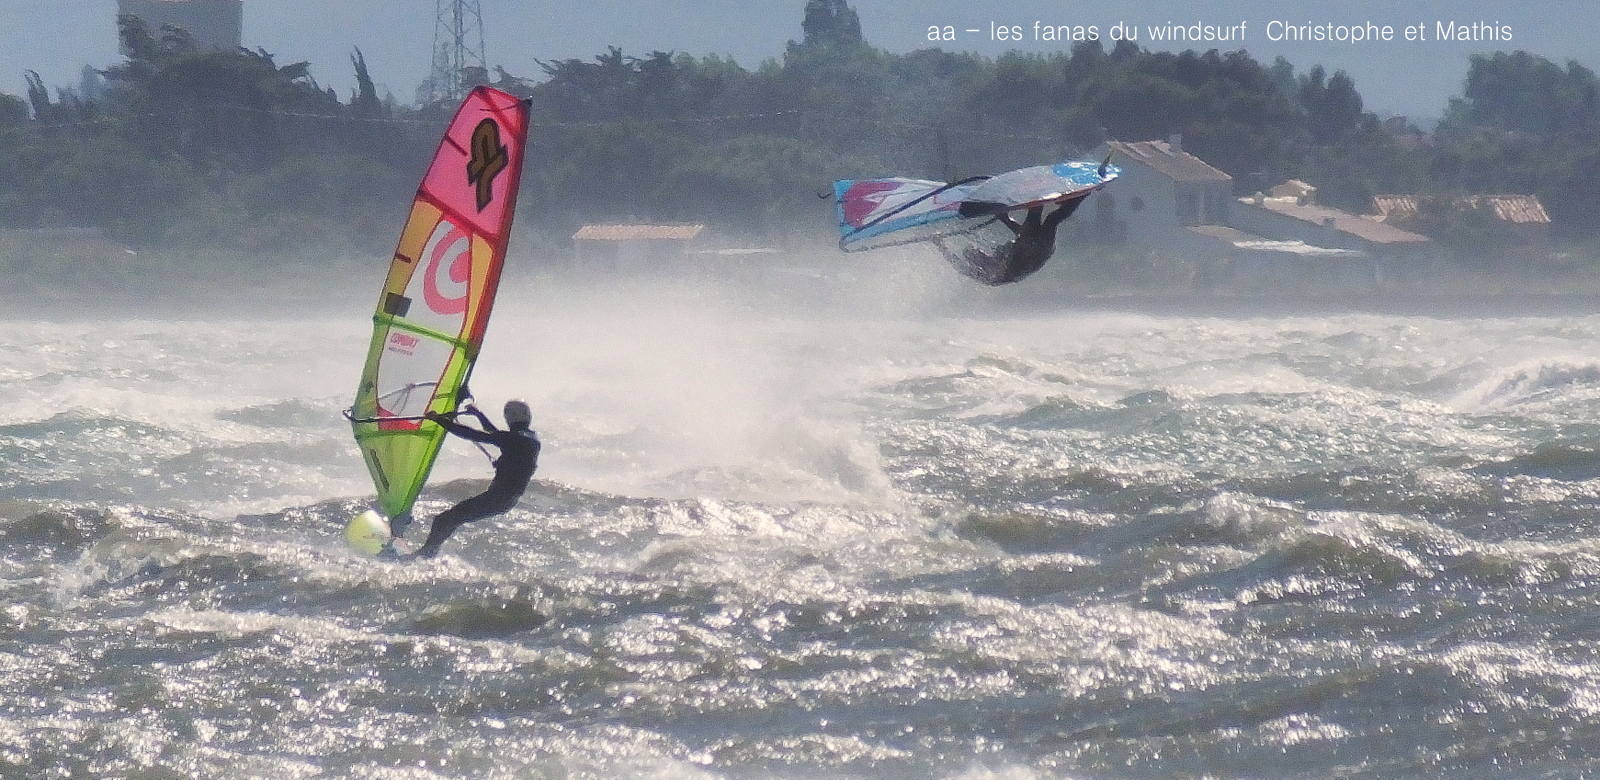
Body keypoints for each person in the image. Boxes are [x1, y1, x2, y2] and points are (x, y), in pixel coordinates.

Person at [402, 399, 540, 559]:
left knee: (444, 519)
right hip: (506, 500)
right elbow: (495, 434)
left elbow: (473, 434)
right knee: (449, 519)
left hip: (497, 499)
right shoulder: (531, 439)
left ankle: (423, 556)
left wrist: (440, 420)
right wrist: (478, 414)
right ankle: (427, 553)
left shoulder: (514, 439)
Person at [933, 196, 1085, 286]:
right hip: (1039, 249)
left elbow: (1023, 236)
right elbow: (958, 266)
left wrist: (1005, 220)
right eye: (978, 253)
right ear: (976, 262)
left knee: (1051, 218)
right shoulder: (988, 275)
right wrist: (940, 245)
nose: (981, 252)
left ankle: (1080, 197)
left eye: (978, 251)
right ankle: (1080, 197)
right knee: (1046, 216)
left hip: (1038, 248)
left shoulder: (994, 260)